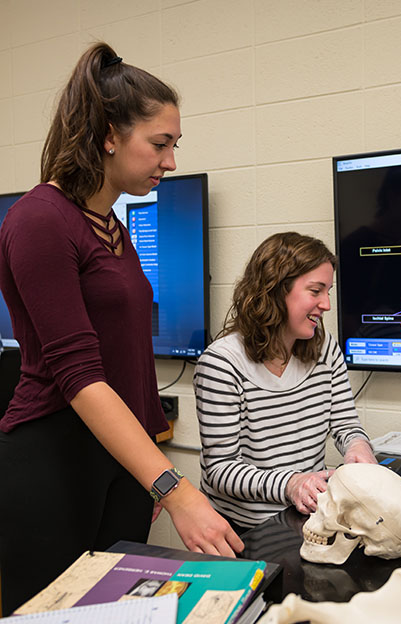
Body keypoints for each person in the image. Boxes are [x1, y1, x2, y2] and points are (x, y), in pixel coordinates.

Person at [0, 42, 243, 616]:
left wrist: (150, 466)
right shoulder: (39, 219)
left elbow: (129, 359)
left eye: (174, 145)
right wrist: (173, 488)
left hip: (118, 459)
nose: (171, 161)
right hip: (55, 457)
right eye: (160, 144)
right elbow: (81, 376)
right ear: (109, 134)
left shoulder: (109, 224)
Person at [194, 232, 377, 530]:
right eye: (316, 291)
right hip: (244, 528)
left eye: (328, 291)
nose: (327, 304)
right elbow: (221, 470)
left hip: (302, 517)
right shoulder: (222, 362)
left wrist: (358, 446)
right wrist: (290, 484)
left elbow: (345, 424)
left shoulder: (325, 346)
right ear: (276, 290)